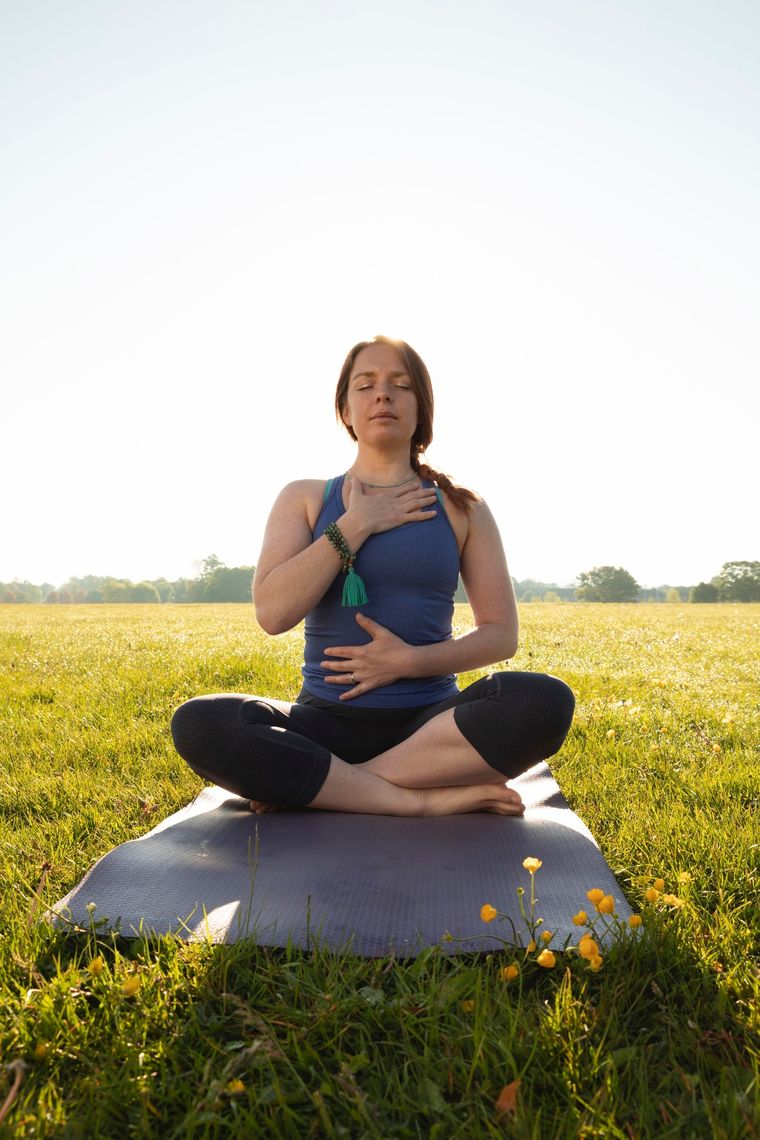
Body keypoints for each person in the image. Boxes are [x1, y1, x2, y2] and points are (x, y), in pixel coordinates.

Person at [171, 336, 574, 817]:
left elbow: (500, 636)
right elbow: (273, 614)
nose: (382, 395)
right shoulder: (306, 498)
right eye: (366, 386)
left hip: (431, 728)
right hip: (323, 724)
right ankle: (414, 801)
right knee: (204, 723)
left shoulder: (462, 507)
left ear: (421, 407)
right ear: (344, 409)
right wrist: (356, 524)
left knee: (542, 700)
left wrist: (406, 662)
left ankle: (328, 786)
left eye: (400, 386)